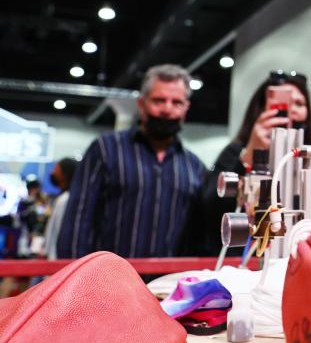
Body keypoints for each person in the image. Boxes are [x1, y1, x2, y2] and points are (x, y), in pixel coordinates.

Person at [57, 64, 206, 259]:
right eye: (159, 100)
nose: (167, 109)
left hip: (167, 285)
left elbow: (194, 235)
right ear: (142, 104)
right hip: (109, 283)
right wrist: (78, 282)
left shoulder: (194, 166)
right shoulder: (105, 149)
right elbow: (78, 221)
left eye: (176, 102)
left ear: (186, 108)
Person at [197, 69, 311, 256]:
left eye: (299, 103)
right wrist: (248, 155)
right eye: (284, 102)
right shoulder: (236, 151)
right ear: (263, 107)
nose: (291, 110)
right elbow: (208, 209)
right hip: (243, 262)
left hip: (300, 260)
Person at [43, 157, 77, 259]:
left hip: (57, 258)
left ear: (65, 174)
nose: (52, 172)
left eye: (56, 169)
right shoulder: (62, 197)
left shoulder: (66, 199)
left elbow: (58, 233)